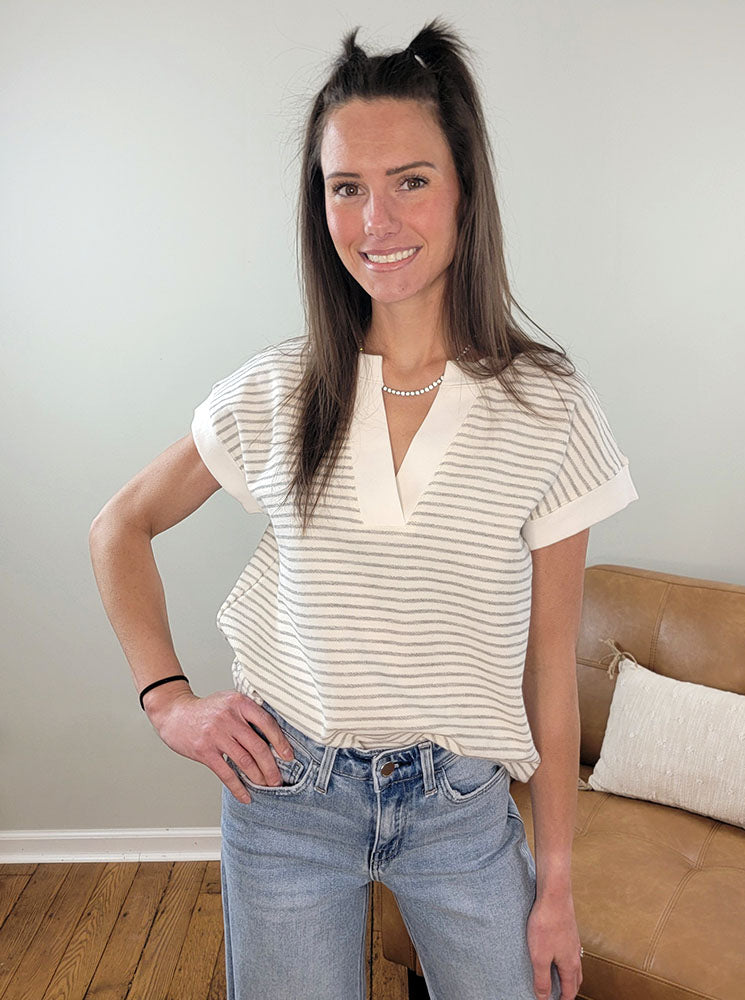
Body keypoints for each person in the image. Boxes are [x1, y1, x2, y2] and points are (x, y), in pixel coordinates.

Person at [89, 17, 638, 1000]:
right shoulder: (280, 390)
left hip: (460, 810)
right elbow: (116, 526)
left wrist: (554, 883)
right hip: (288, 798)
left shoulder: (548, 406)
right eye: (345, 187)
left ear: (464, 187)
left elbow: (548, 671)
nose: (373, 219)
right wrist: (166, 698)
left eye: (409, 180)